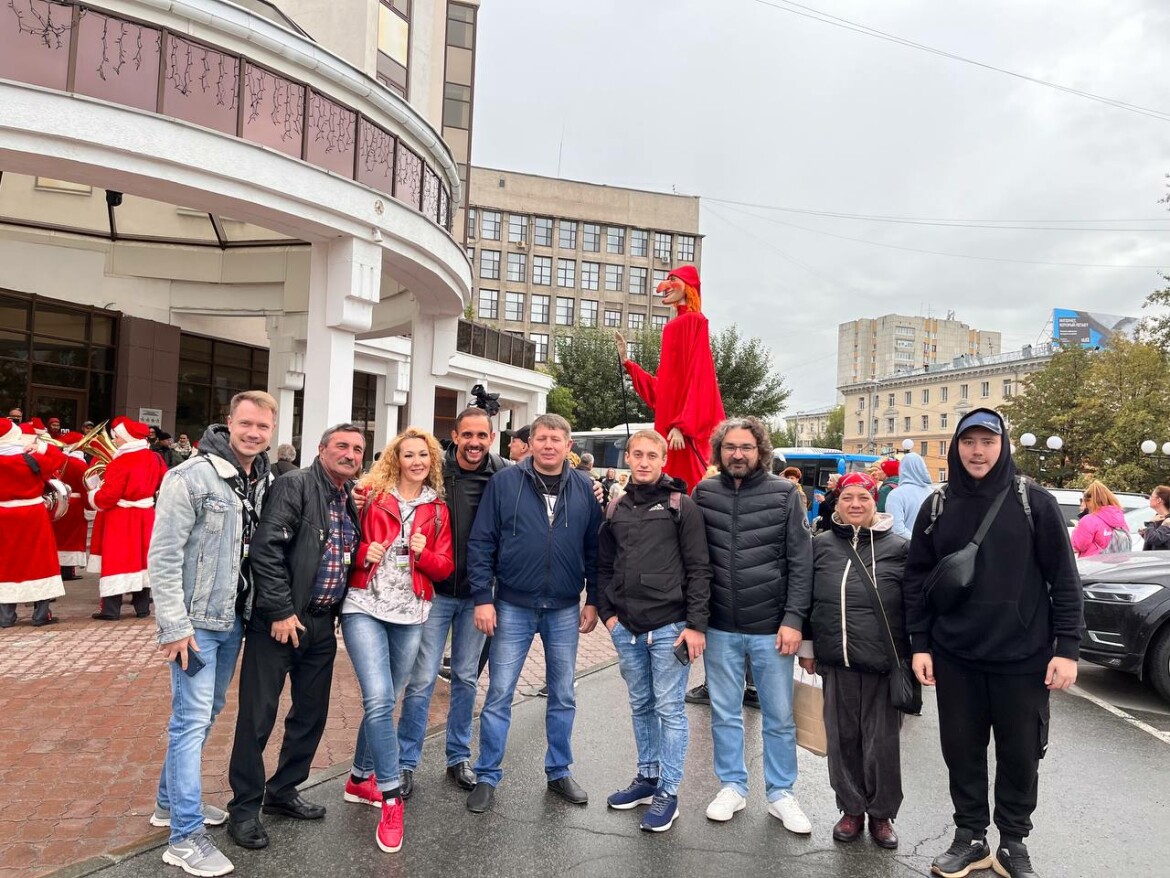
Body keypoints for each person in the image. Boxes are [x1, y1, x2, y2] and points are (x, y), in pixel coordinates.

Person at [903, 408, 1083, 878]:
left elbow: (1065, 579)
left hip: (1023, 657)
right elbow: (916, 579)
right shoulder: (938, 505)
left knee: (1020, 754)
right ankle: (970, 837)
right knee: (961, 750)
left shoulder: (1034, 502)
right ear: (956, 447)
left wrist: (1067, 648)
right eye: (969, 442)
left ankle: (1013, 842)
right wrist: (920, 643)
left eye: (987, 441)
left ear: (1003, 445)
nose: (977, 451)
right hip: (955, 655)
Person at [149, 391, 277, 878]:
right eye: (246, 424)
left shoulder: (261, 478)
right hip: (197, 625)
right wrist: (174, 626)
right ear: (228, 422)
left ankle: (169, 805)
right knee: (190, 720)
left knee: (205, 715)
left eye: (262, 427)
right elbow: (163, 556)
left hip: (234, 620)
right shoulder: (189, 476)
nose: (253, 433)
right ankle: (184, 837)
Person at [226, 424, 365, 851]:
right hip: (280, 622)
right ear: (321, 449)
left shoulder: (346, 495)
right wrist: (281, 610)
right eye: (342, 446)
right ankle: (244, 809)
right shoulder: (296, 485)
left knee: (310, 714)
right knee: (257, 718)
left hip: (321, 624)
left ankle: (283, 791)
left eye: (358, 449)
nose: (350, 454)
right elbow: (266, 549)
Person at [464, 413, 602, 814]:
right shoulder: (505, 483)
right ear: (530, 443)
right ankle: (487, 775)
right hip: (512, 604)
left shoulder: (584, 488)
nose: (548, 445)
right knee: (499, 693)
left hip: (564, 607)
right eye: (541, 438)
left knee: (563, 694)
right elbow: (482, 542)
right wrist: (483, 597)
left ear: (568, 446)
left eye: (556, 439)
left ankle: (559, 771)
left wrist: (593, 598)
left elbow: (595, 549)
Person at [691, 416, 813, 833]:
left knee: (778, 716)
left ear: (760, 450)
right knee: (725, 713)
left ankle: (781, 793)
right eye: (730, 447)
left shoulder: (785, 494)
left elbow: (801, 562)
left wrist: (794, 619)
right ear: (719, 452)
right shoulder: (704, 493)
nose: (738, 454)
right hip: (720, 626)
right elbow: (693, 558)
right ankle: (732, 786)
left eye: (746, 447)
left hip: (771, 628)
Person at [341, 427, 454, 855]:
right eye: (409, 455)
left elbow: (444, 568)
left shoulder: (437, 509)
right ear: (396, 459)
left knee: (386, 699)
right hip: (363, 605)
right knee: (378, 699)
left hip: (411, 614)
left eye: (423, 455)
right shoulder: (370, 496)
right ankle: (391, 798)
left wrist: (424, 554)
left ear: (432, 461)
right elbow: (339, 544)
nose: (417, 461)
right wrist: (361, 554)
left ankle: (358, 778)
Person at [597, 429, 710, 833]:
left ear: (664, 460)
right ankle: (647, 777)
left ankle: (668, 791)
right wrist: (608, 615)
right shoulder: (616, 507)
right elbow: (604, 565)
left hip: (669, 628)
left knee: (669, 710)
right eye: (637, 454)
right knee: (641, 705)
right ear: (627, 458)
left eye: (652, 455)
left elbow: (699, 568)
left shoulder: (682, 506)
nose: (644, 462)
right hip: (626, 629)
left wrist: (696, 625)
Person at [396, 408, 505, 800]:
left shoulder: (504, 473)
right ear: (455, 436)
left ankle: (458, 756)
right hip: (437, 591)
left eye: (482, 435)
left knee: (466, 678)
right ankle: (405, 761)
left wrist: (592, 489)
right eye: (467, 435)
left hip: (478, 595)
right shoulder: (436, 470)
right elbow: (394, 485)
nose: (474, 442)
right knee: (422, 679)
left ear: (491, 438)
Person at [800, 472, 907, 849]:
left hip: (883, 663)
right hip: (836, 660)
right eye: (848, 498)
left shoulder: (899, 548)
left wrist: (916, 655)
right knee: (842, 739)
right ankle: (851, 808)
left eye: (863, 497)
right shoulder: (821, 545)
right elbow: (807, 598)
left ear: (875, 501)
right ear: (838, 503)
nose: (855, 504)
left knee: (882, 743)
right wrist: (808, 648)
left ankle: (881, 814)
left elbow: (914, 605)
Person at [87, 417, 169, 620]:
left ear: (126, 438)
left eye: (117, 437)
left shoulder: (120, 462)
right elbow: (165, 481)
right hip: (146, 514)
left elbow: (109, 496)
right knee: (143, 560)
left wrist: (94, 493)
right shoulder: (155, 458)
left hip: (121, 517)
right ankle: (142, 608)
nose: (114, 441)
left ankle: (111, 610)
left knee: (116, 560)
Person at [0, 421, 66, 628]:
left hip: (4, 516)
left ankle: (6, 616)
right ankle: (41, 615)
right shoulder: (30, 459)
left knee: (6, 563)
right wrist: (41, 446)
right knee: (40, 561)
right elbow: (59, 458)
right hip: (33, 515)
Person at [52, 431, 89, 581]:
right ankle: (68, 571)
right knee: (73, 537)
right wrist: (90, 506)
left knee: (60, 536)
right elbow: (85, 487)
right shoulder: (80, 464)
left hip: (61, 502)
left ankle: (60, 568)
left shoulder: (58, 460)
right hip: (76, 505)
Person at [1071, 481, 1130, 558]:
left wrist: (1077, 528)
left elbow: (1078, 545)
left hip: (1093, 563)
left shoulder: (1089, 520)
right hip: (1118, 563)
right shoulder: (1120, 519)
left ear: (1089, 501)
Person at [887, 452, 934, 540]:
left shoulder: (895, 495)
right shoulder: (933, 493)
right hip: (932, 546)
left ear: (902, 469)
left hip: (905, 545)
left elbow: (897, 529)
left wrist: (918, 542)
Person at [1140, 485, 1170, 550]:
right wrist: (1145, 534)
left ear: (1159, 500)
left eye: (1151, 496)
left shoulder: (1168, 521)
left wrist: (1150, 523)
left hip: (1163, 556)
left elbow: (1154, 539)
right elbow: (1159, 540)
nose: (1149, 499)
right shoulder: (1158, 519)